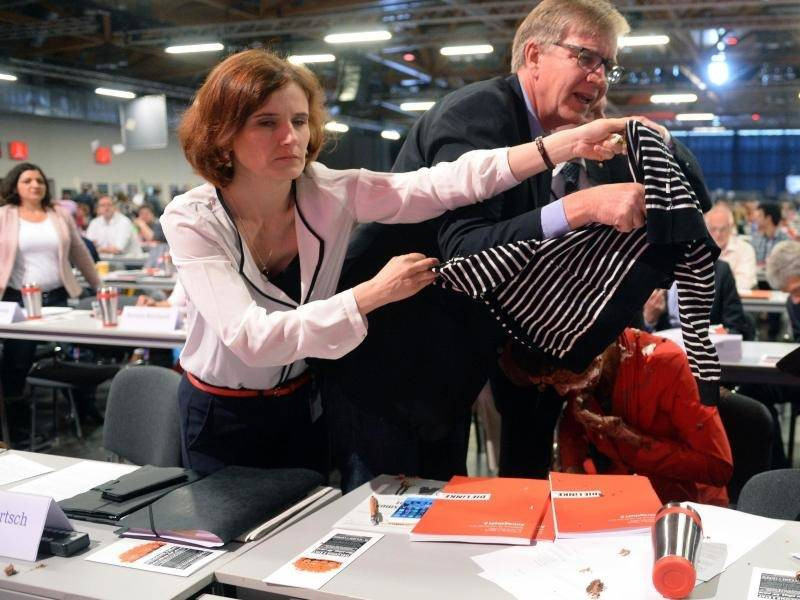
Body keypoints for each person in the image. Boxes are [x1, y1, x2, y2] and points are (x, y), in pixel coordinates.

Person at [160, 48, 631, 476]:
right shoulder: (193, 219)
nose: (290, 137)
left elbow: (440, 184)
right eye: (267, 123)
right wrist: (371, 294)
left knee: (298, 550)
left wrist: (561, 146)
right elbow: (252, 339)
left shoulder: (329, 192)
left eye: (299, 121)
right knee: (222, 554)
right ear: (223, 133)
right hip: (220, 414)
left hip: (304, 403)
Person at [324, 0, 712, 489]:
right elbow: (466, 254)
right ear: (533, 55)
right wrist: (585, 207)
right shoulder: (478, 114)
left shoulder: (545, 139)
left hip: (446, 374)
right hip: (388, 370)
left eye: (608, 66)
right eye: (586, 57)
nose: (599, 78)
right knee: (380, 532)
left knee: (429, 523)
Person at [501, 329, 733, 506]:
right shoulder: (580, 366)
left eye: (563, 381)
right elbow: (572, 429)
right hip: (622, 498)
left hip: (686, 505)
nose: (563, 391)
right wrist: (573, 477)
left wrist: (630, 438)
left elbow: (718, 468)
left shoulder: (664, 363)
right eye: (553, 385)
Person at [0, 163, 101, 397]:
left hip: (57, 296)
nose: (35, 185)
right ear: (15, 185)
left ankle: (82, 408)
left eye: (40, 181)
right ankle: (17, 422)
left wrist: (99, 287)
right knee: (18, 361)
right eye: (27, 181)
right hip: (18, 300)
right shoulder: (4, 215)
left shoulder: (58, 214)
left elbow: (80, 253)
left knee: (72, 357)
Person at [642, 259, 754, 341]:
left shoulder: (720, 271)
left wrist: (721, 334)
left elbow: (735, 326)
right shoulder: (655, 269)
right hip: (666, 348)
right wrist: (649, 320)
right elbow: (638, 331)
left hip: (706, 349)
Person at [706, 203, 757, 291]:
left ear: (731, 228)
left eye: (723, 229)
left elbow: (744, 284)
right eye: (713, 229)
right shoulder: (700, 250)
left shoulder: (745, 249)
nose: (718, 234)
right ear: (707, 228)